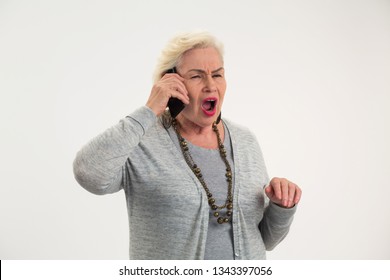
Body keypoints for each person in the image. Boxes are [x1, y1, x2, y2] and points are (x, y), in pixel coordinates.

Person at [73, 31, 302, 260]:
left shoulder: (245, 140)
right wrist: (150, 110)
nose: (211, 86)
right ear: (170, 82)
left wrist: (282, 207)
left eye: (218, 75)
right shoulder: (141, 140)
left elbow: (266, 240)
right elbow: (89, 173)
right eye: (197, 76)